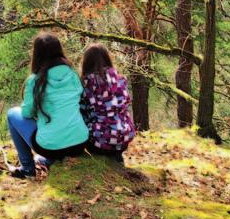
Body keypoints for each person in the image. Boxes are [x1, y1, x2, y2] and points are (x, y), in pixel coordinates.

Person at [7, 33, 89, 179]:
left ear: (36, 54)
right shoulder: (73, 74)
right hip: (79, 142)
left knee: (13, 113)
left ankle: (27, 169)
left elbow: (26, 113)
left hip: (50, 147)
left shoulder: (36, 80)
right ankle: (48, 161)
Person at [80, 43, 136, 164]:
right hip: (124, 137)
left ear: (86, 63)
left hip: (99, 142)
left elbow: (82, 115)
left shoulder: (86, 85)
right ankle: (117, 159)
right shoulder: (120, 81)